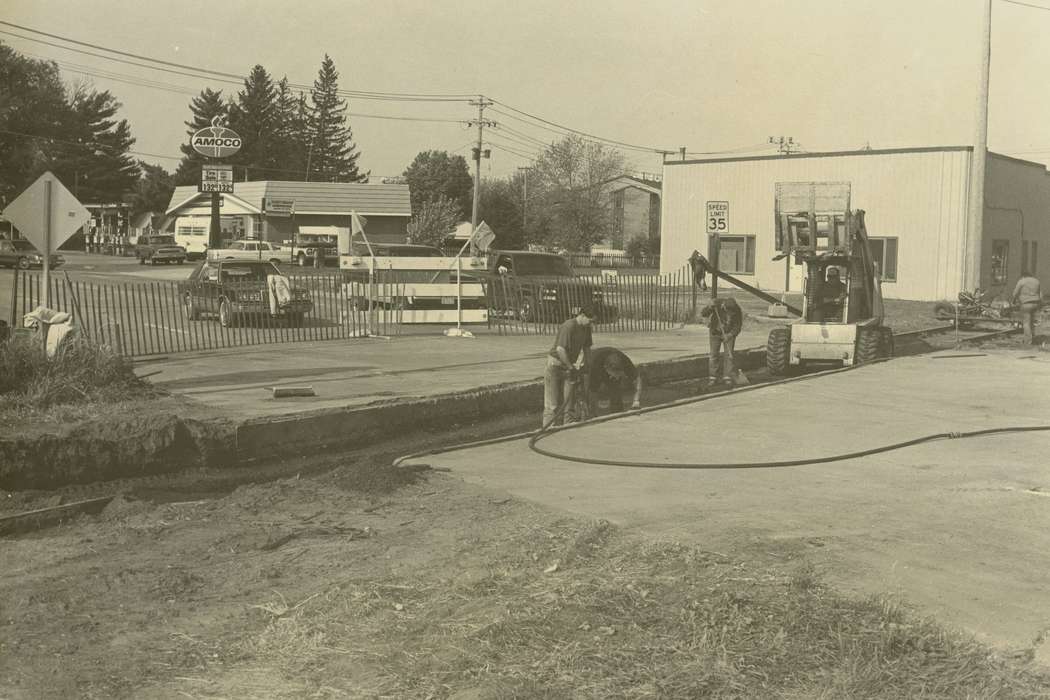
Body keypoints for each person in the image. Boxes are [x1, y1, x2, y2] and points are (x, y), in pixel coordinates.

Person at [543, 305, 595, 428]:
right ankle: (549, 428)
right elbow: (560, 349)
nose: (591, 324)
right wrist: (571, 367)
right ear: (582, 315)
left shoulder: (586, 328)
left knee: (569, 402)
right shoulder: (569, 326)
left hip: (568, 366)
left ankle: (568, 427)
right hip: (555, 365)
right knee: (552, 404)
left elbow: (587, 348)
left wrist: (587, 365)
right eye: (590, 320)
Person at [585, 347, 644, 417]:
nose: (617, 377)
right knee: (588, 395)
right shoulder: (596, 367)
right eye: (615, 374)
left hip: (610, 357)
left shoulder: (625, 361)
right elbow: (592, 391)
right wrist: (592, 411)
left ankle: (617, 411)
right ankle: (590, 411)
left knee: (615, 390)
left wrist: (636, 401)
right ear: (606, 368)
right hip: (593, 359)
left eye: (619, 374)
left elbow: (637, 379)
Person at [700, 297, 743, 385]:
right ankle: (713, 377)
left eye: (732, 313)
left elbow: (738, 326)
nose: (731, 315)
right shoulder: (717, 304)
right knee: (714, 354)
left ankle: (727, 377)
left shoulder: (737, 310)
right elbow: (704, 314)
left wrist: (730, 335)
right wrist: (709, 307)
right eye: (729, 313)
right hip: (715, 332)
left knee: (729, 355)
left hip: (729, 333)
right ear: (724, 307)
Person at [1011, 268, 1042, 345]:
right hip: (1036, 303)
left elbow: (1015, 293)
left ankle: (1028, 341)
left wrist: (1013, 301)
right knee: (1032, 321)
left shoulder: (1022, 281)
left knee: (1026, 323)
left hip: (1026, 303)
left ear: (1023, 276)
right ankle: (1033, 337)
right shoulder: (1036, 281)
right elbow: (1040, 294)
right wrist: (1040, 304)